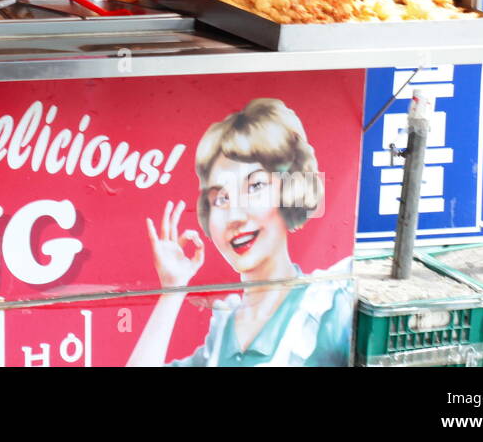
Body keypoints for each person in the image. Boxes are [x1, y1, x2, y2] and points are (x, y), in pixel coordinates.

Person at [126, 98, 352, 367]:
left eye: (255, 186)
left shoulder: (328, 307)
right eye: (221, 198)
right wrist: (173, 290)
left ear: (290, 190)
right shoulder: (222, 335)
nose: (234, 216)